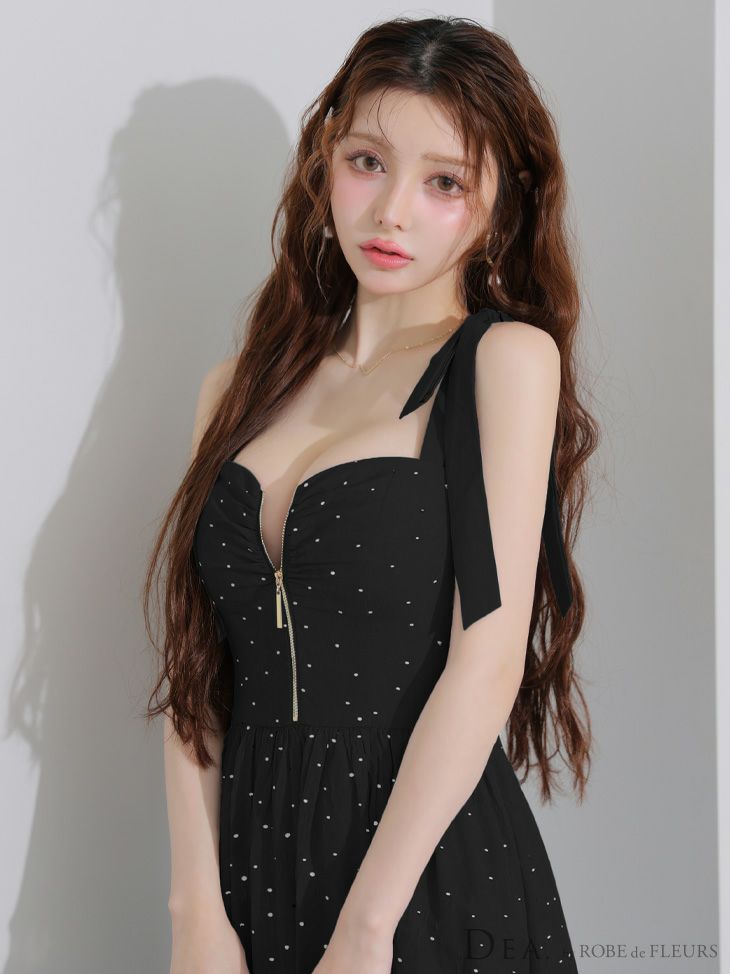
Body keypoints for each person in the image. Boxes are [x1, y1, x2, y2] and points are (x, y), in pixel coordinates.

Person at [144, 14, 598, 974]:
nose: (391, 212)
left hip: (420, 880)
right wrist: (192, 910)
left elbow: (487, 665)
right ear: (325, 164)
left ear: (498, 206)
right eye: (368, 162)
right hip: (248, 872)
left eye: (445, 182)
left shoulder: (502, 362)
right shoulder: (234, 391)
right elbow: (197, 663)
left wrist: (366, 931)